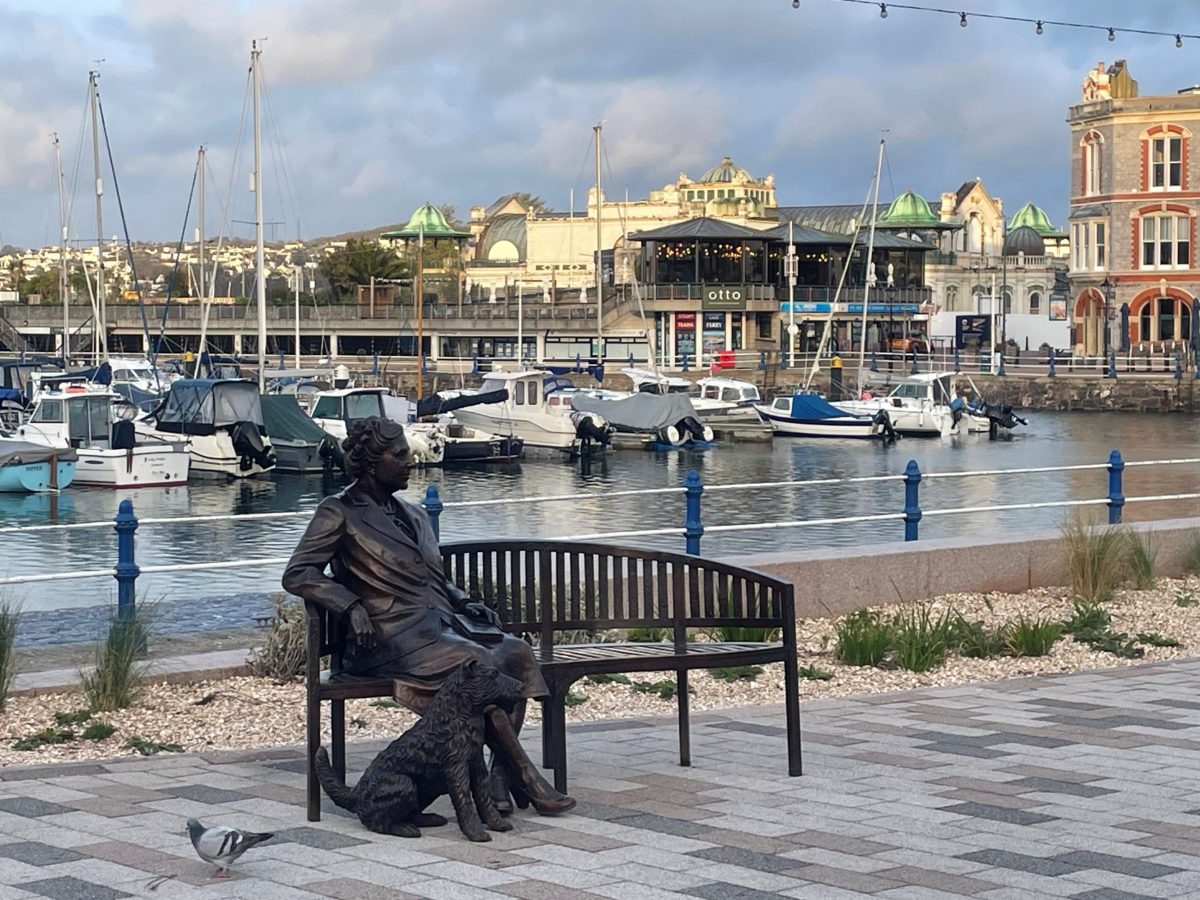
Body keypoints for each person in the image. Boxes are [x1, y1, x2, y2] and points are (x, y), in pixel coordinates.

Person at [282, 416, 574, 816]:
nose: (410, 461)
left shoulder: (414, 514)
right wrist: (349, 606)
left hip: (438, 629)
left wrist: (461, 599)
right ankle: (523, 775)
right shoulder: (339, 512)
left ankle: (501, 779)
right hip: (387, 640)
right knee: (478, 667)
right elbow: (298, 572)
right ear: (371, 462)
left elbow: (432, 578)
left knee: (517, 655)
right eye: (399, 454)